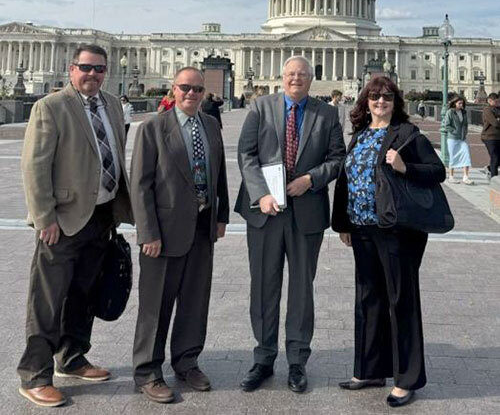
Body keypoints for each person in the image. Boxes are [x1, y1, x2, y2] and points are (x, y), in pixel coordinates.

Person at [17, 44, 134, 408]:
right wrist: (45, 217)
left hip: (101, 214)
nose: (93, 74)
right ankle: (35, 374)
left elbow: (112, 153)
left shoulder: (112, 104)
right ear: (72, 69)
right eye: (86, 68)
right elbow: (35, 166)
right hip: (64, 218)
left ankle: (72, 356)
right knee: (48, 299)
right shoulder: (51, 107)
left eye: (99, 69)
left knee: (85, 291)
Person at [332, 76, 445, 409]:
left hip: (397, 230)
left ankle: (407, 378)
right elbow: (347, 181)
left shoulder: (407, 135)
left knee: (400, 300)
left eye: (386, 97)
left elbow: (436, 171)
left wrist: (404, 166)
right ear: (365, 102)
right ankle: (369, 369)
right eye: (374, 96)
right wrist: (344, 223)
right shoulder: (361, 136)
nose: (380, 102)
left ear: (395, 103)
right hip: (363, 228)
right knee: (368, 300)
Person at [235, 56, 345, 394]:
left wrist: (311, 179)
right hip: (266, 211)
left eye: (302, 74)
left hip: (306, 211)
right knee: (264, 287)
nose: (296, 79)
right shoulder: (260, 106)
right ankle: (264, 358)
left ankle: (297, 361)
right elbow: (246, 155)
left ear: (313, 79)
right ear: (282, 77)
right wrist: (262, 194)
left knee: (301, 289)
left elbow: (338, 158)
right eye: (291, 74)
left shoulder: (326, 113)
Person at [131, 67, 229, 404]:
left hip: (202, 227)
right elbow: (140, 185)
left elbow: (219, 176)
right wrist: (147, 233)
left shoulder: (211, 125)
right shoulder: (153, 128)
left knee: (194, 300)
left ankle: (187, 361)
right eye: (185, 88)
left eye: (198, 89)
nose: (191, 94)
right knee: (155, 305)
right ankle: (147, 370)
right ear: (173, 90)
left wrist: (222, 216)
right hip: (163, 231)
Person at [444, 96, 473, 184]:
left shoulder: (464, 112)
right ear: (455, 103)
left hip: (462, 138)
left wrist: (465, 132)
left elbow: (466, 124)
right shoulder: (450, 112)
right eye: (459, 103)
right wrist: (454, 131)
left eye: (462, 103)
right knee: (453, 156)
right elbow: (447, 125)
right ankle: (451, 176)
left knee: (466, 155)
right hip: (452, 138)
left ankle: (465, 177)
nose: (461, 105)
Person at [481, 92, 500, 179]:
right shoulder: (487, 110)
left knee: (497, 158)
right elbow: (495, 123)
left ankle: (489, 168)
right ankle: (494, 178)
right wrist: (497, 120)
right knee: (495, 157)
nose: (497, 103)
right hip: (489, 137)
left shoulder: (497, 109)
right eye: (495, 102)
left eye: (498, 101)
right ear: (489, 101)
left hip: (498, 137)